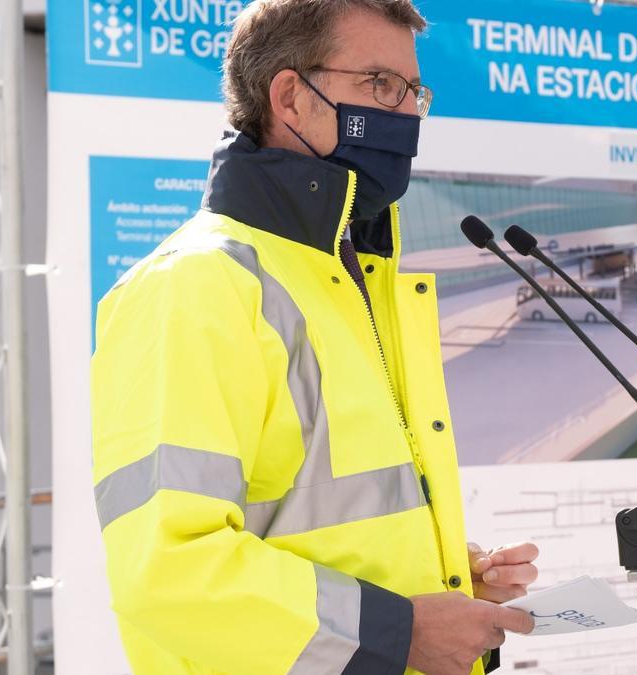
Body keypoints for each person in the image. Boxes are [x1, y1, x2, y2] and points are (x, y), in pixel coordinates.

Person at [90, 1, 538, 673]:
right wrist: (403, 630)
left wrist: (451, 575)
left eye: (415, 92)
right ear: (291, 97)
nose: (407, 113)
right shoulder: (195, 285)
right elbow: (170, 567)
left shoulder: (357, 276)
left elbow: (332, 525)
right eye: (380, 85)